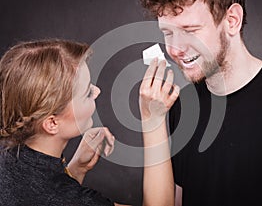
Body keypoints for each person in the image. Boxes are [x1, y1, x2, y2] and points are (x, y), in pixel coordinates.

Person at [140, 0, 262, 206]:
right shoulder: (182, 105)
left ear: (232, 20)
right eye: (167, 32)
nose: (175, 49)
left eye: (190, 31)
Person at [0, 39, 178, 206]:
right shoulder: (64, 198)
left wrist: (77, 169)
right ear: (52, 123)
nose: (97, 91)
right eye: (87, 93)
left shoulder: (7, 160)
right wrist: (152, 119)